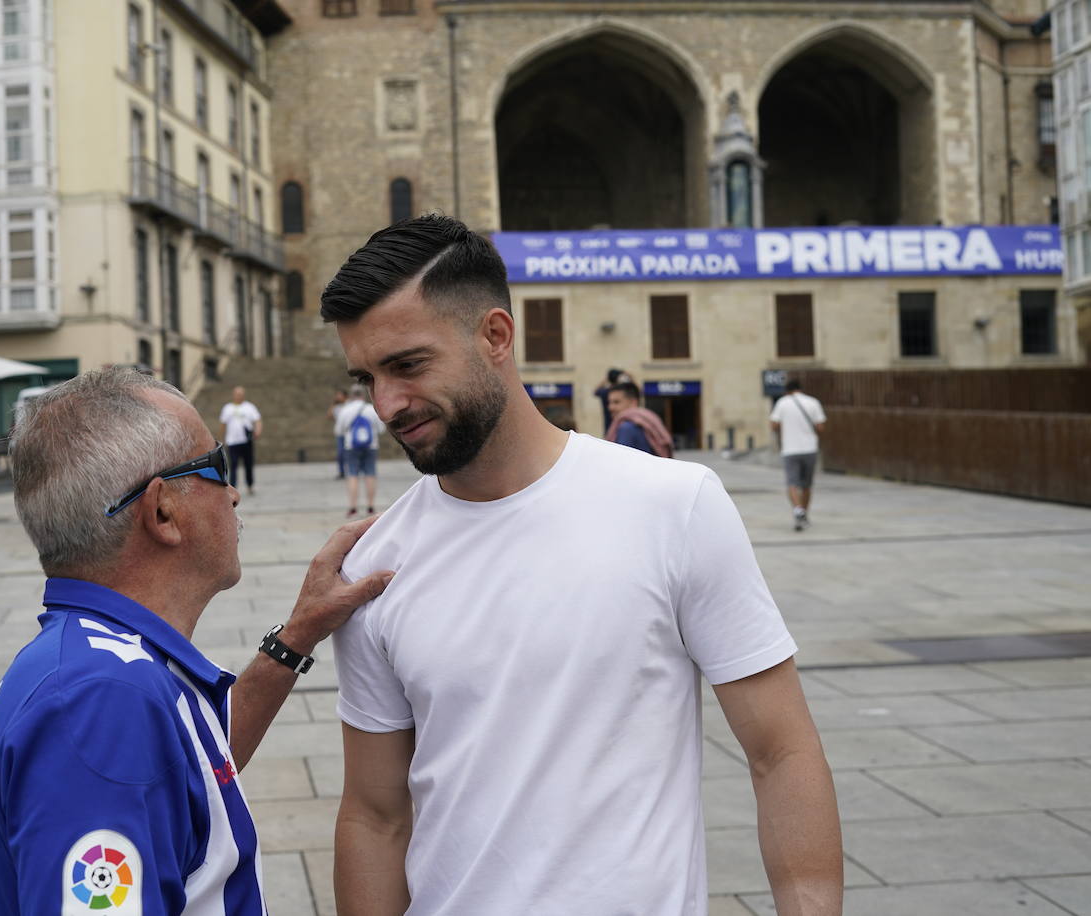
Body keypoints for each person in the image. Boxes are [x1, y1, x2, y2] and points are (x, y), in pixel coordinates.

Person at [320, 215, 842, 916]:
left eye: (408, 365)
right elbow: (374, 817)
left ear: (496, 336)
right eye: (367, 377)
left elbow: (782, 753)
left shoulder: (671, 506)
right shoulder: (377, 564)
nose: (386, 404)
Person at [0, 367, 392, 916]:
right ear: (161, 511)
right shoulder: (102, 703)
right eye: (216, 467)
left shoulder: (98, 656)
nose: (233, 494)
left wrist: (299, 632)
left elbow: (196, 768)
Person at [769, 378, 827, 531]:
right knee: (806, 485)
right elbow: (821, 427)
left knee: (792, 483)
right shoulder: (813, 402)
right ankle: (804, 515)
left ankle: (797, 510)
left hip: (790, 449)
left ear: (787, 390)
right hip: (810, 449)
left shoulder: (782, 403)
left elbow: (773, 425)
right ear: (800, 389)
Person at [333, 383, 384, 517]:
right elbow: (381, 429)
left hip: (351, 447)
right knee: (370, 474)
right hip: (371, 446)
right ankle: (371, 506)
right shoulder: (372, 409)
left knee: (353, 475)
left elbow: (338, 431)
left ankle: (353, 507)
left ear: (351, 395)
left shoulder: (346, 410)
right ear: (363, 395)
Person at [604, 380, 674, 457]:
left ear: (633, 402)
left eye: (616, 402)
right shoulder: (649, 419)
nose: (610, 407)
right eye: (609, 403)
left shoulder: (627, 428)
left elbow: (620, 461)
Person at [220, 386, 262, 495]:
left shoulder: (249, 407)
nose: (239, 396)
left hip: (246, 441)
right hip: (233, 441)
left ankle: (250, 485)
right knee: (233, 464)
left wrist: (257, 430)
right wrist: (222, 439)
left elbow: (257, 420)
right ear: (233, 395)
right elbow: (223, 424)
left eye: (241, 394)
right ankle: (233, 487)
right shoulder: (227, 408)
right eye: (237, 394)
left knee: (248, 464)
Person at [329, 387, 349, 479]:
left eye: (339, 395)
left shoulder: (350, 405)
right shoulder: (336, 407)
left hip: (349, 434)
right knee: (340, 453)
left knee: (350, 453)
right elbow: (329, 416)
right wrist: (333, 403)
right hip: (340, 434)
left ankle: (352, 470)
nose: (337, 397)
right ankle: (341, 472)